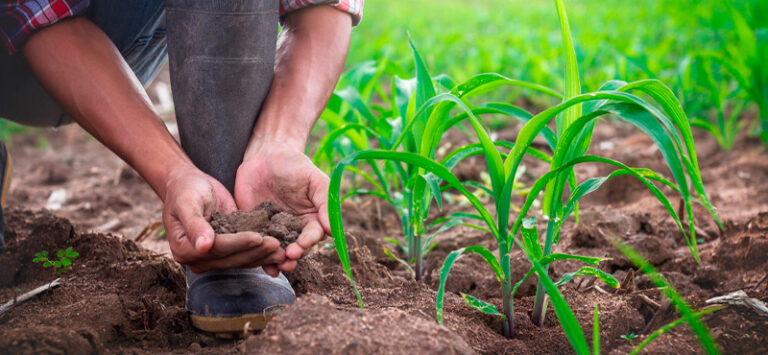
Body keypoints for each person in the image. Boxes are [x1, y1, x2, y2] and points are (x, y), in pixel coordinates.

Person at [0, 0, 362, 333]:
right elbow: (35, 13)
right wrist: (171, 172)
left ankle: (225, 220)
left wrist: (278, 140)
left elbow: (322, 5)